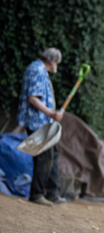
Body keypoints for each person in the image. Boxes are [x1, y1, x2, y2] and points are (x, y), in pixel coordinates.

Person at [17, 47, 66, 206]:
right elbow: (33, 98)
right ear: (52, 61)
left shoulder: (40, 70)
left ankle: (53, 193)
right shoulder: (37, 70)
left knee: (52, 154)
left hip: (43, 121)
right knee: (45, 156)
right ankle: (37, 194)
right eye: (57, 62)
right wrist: (51, 113)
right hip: (37, 121)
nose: (57, 66)